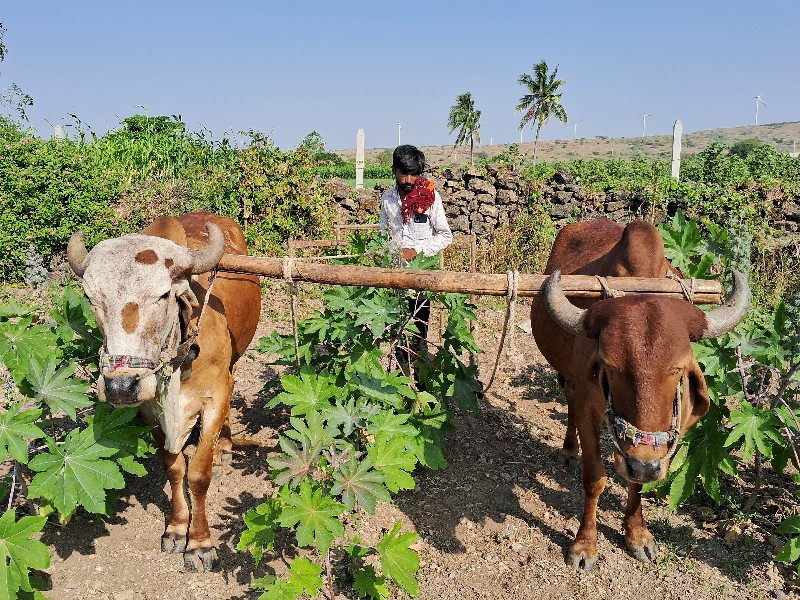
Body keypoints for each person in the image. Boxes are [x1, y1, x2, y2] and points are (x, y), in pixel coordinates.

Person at [379, 145, 453, 382]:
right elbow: (383, 235)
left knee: (419, 336)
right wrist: (388, 255)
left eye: (414, 174)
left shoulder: (430, 198)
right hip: (394, 280)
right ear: (394, 171)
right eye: (404, 174)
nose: (409, 180)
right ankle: (399, 385)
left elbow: (445, 236)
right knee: (396, 336)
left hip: (421, 281)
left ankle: (421, 386)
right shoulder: (387, 199)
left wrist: (415, 251)